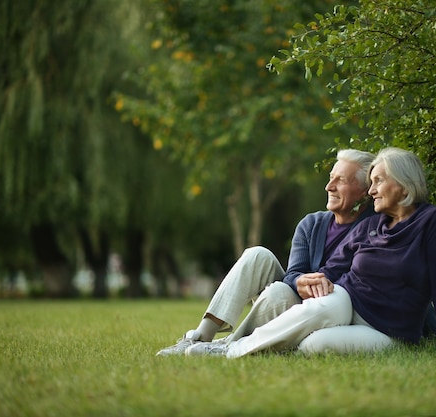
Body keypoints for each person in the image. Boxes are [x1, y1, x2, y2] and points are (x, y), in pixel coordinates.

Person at [185, 146, 436, 358]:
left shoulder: (432, 224)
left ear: (403, 185)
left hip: (386, 328)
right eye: (372, 182)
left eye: (378, 182)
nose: (373, 190)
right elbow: (332, 268)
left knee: (312, 347)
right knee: (311, 295)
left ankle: (244, 344)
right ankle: (225, 349)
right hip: (343, 300)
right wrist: (313, 282)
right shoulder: (369, 224)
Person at [155, 149, 376, 356]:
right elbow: (293, 273)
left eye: (341, 180)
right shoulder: (312, 224)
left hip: (326, 312)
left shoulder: (374, 228)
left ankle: (228, 346)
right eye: (330, 177)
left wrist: (313, 285)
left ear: (364, 192)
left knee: (278, 292)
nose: (329, 186)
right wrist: (299, 281)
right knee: (257, 255)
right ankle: (200, 337)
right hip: (293, 300)